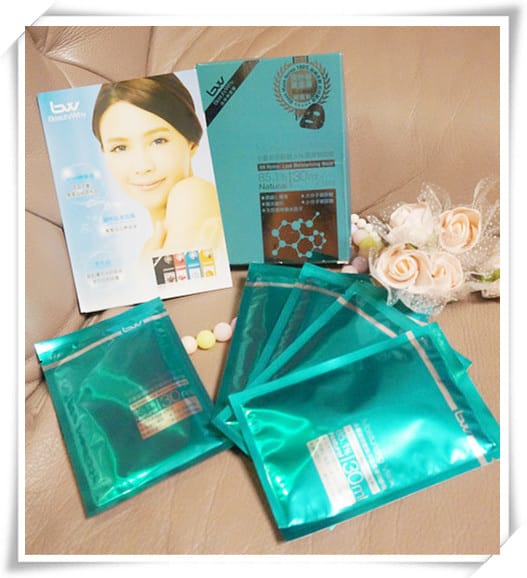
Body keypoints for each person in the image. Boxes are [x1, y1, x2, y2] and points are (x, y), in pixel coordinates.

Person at [92, 73, 223, 257]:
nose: (142, 166)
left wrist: (146, 271)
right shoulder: (151, 246)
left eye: (158, 141)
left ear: (191, 142)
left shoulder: (192, 193)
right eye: (120, 148)